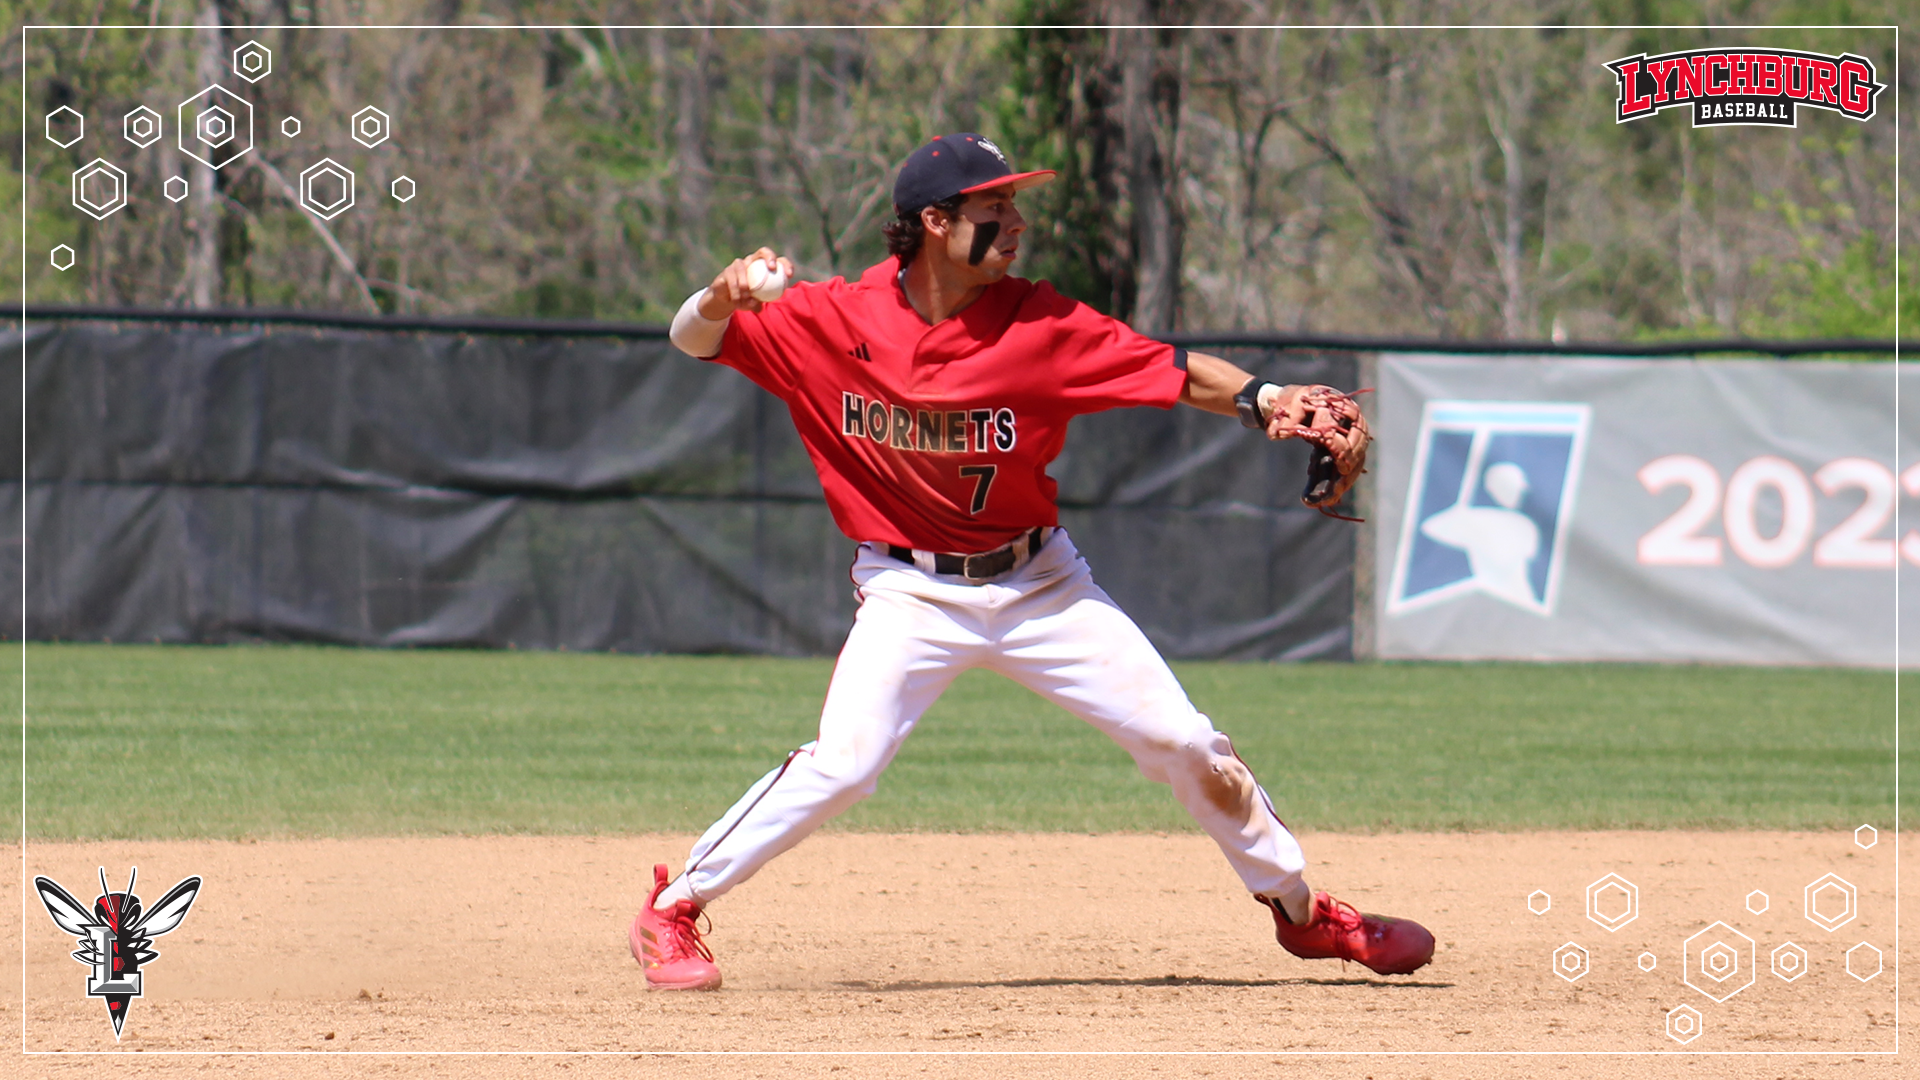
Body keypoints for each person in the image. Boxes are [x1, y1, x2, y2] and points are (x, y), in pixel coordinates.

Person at [633, 132, 1432, 991]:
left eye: (1015, 204)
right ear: (934, 222)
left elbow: (1170, 371)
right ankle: (672, 908)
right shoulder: (831, 319)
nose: (1015, 222)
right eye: (994, 207)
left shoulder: (1041, 325)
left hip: (1040, 583)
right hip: (908, 590)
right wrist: (719, 293)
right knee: (845, 764)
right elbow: (693, 337)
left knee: (1187, 742)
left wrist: (1267, 397)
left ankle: (1304, 915)